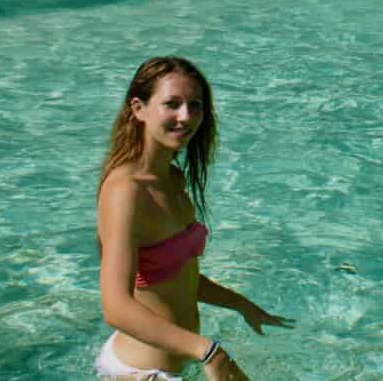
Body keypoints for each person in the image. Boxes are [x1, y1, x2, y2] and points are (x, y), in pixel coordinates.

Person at [96, 56, 293, 380]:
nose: (186, 117)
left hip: (180, 362)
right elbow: (116, 307)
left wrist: (242, 305)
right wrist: (208, 351)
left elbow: (178, 279)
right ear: (138, 109)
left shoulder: (172, 180)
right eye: (172, 104)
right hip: (141, 373)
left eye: (195, 105)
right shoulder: (125, 191)